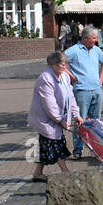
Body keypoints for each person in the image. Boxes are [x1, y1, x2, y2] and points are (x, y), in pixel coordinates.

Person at [28, 50, 81, 181]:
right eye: (61, 64)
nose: (64, 67)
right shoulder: (45, 78)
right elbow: (49, 103)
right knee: (56, 143)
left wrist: (76, 114)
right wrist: (60, 120)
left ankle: (37, 173)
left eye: (65, 64)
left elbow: (70, 97)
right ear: (52, 64)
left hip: (56, 117)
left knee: (45, 145)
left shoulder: (64, 76)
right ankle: (66, 172)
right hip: (45, 118)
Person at [65, 25, 103, 159]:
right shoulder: (74, 50)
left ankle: (97, 149)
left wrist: (101, 79)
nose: (96, 40)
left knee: (96, 122)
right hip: (82, 91)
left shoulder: (96, 50)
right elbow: (60, 61)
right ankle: (78, 150)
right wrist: (71, 76)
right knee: (80, 121)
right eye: (94, 38)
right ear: (85, 38)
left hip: (97, 90)